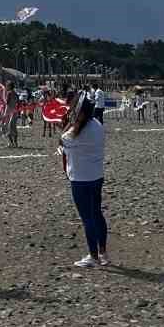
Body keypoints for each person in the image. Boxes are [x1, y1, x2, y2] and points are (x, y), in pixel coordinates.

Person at [59, 95, 109, 268]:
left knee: (87, 217)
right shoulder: (98, 125)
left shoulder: (76, 132)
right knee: (97, 213)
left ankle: (93, 256)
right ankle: (102, 252)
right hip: (96, 175)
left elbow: (62, 140)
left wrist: (68, 122)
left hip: (80, 178)